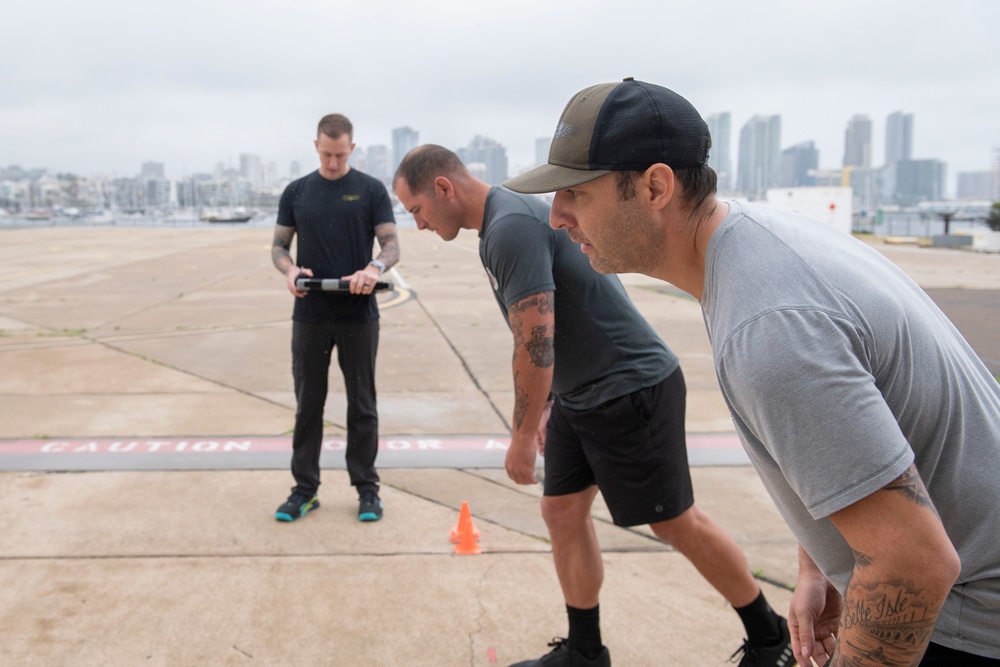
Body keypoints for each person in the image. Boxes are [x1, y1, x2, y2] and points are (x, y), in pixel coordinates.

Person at [503, 78, 1000, 666]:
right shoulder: (755, 246)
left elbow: (911, 566)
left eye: (576, 195)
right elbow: (854, 447)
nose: (557, 217)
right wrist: (822, 562)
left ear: (655, 187)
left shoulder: (768, 327)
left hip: (963, 624)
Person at [395, 144, 794, 667]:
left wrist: (519, 437)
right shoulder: (501, 223)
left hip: (629, 388)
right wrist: (544, 408)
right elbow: (550, 334)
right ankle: (586, 651)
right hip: (579, 396)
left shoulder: (510, 225)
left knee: (675, 522)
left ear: (444, 188)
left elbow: (536, 341)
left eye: (417, 210)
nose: (419, 225)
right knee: (561, 510)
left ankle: (771, 638)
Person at [271, 113, 399, 523]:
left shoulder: (370, 190)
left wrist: (374, 268)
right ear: (315, 147)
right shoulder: (296, 191)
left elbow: (392, 245)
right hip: (309, 314)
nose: (332, 162)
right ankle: (304, 490)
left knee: (362, 405)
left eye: (340, 154)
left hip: (358, 314)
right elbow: (278, 247)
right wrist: (289, 270)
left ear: (352, 149)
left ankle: (367, 490)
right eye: (326, 154)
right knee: (308, 403)